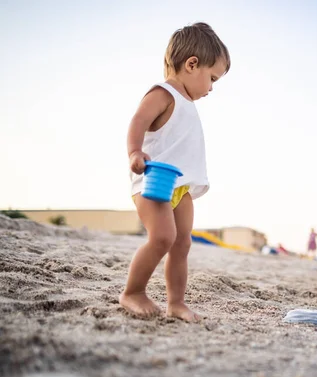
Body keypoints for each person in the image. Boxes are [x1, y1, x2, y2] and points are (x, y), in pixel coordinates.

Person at [119, 23, 230, 322]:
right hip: (154, 179)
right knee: (162, 238)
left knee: (183, 243)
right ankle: (133, 292)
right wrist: (134, 151)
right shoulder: (163, 93)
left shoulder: (186, 103)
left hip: (181, 186)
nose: (211, 88)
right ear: (192, 64)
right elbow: (138, 121)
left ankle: (176, 302)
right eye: (212, 78)